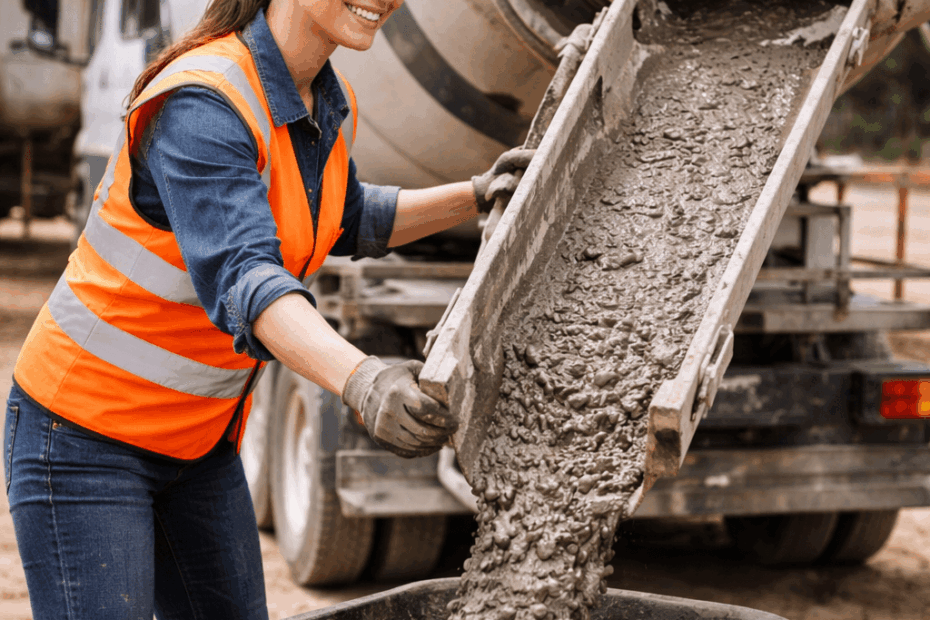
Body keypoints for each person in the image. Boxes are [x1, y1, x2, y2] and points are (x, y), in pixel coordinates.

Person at [3, 1, 534, 618]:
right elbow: (247, 279)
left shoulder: (324, 103)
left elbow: (347, 215)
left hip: (198, 446)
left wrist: (476, 195)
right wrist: (363, 381)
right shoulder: (203, 103)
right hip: (84, 441)